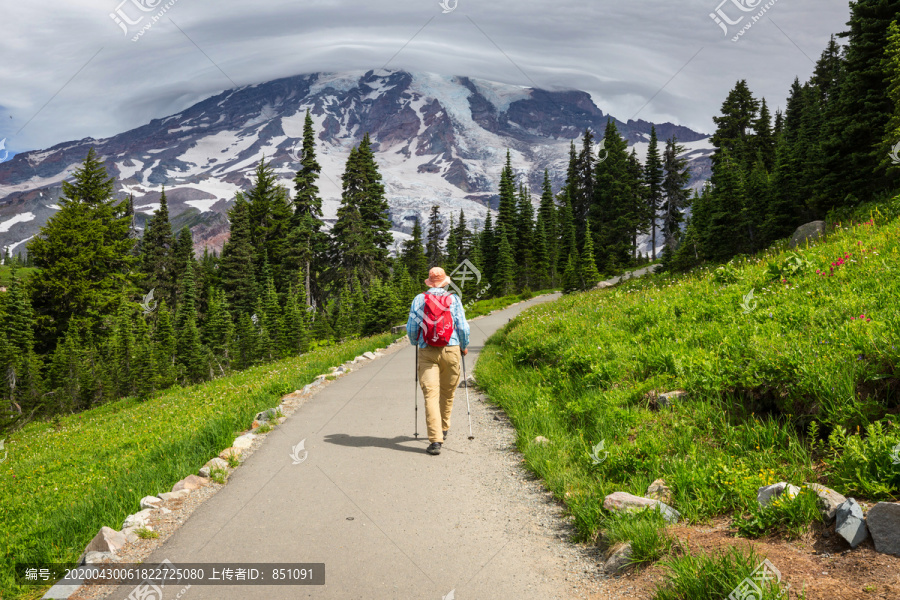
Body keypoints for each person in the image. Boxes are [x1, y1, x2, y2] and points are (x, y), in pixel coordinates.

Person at [407, 266, 470, 455]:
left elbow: (411, 327)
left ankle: (435, 441)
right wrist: (464, 345)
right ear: (444, 282)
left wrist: (415, 342)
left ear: (429, 282)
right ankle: (443, 428)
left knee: (431, 396)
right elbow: (463, 327)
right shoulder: (453, 299)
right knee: (447, 392)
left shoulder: (419, 299)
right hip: (451, 350)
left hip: (427, 351)